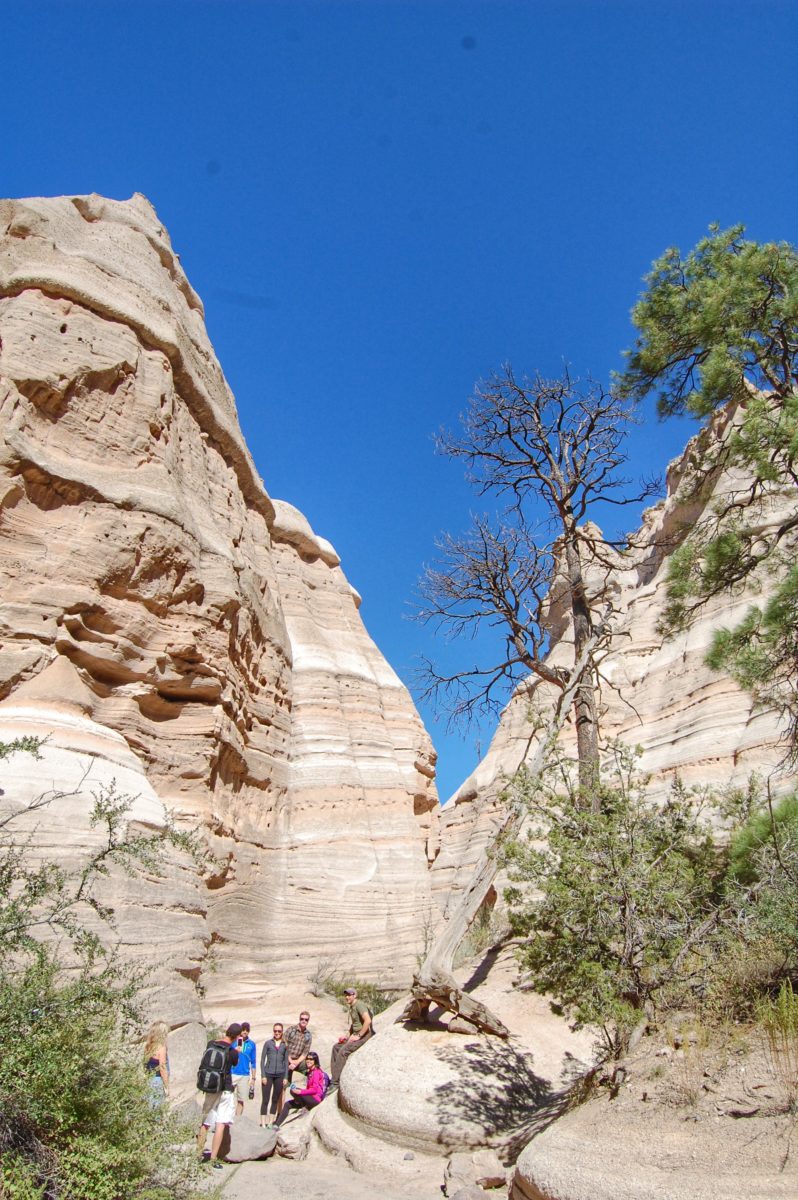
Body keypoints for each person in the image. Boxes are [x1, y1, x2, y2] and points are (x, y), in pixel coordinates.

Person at [197, 1023, 241, 1170]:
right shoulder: (233, 1051)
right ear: (237, 1037)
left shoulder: (212, 1043)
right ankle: (213, 1158)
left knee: (206, 1122)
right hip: (226, 1089)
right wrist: (237, 1050)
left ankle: (198, 1154)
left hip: (211, 1088)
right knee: (220, 1123)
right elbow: (235, 1063)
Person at [329, 987, 373, 1085]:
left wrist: (358, 1035)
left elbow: (368, 1020)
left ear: (355, 995)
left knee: (343, 1051)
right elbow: (355, 1024)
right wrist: (347, 1035)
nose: (347, 997)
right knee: (336, 1047)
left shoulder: (359, 1005)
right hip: (356, 1034)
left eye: (349, 995)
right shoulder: (352, 1006)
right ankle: (335, 1076)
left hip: (364, 1035)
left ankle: (335, 1083)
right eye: (346, 995)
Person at [274, 1051, 326, 1126]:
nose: (308, 1060)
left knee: (294, 1091)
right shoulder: (310, 1072)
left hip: (315, 1100)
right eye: (307, 1059)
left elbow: (314, 1090)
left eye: (311, 1059)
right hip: (308, 1099)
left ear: (315, 1061)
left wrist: (300, 1092)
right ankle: (276, 1125)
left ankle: (304, 1105)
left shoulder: (316, 1072)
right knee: (287, 1104)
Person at [259, 1021, 288, 1127]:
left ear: (282, 1032)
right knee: (265, 1099)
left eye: (279, 1031)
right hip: (268, 1074)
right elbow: (262, 1060)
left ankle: (270, 1122)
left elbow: (286, 1062)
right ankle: (263, 1123)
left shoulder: (285, 1045)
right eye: (275, 1031)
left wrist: (286, 1077)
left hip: (280, 1075)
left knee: (275, 1099)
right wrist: (263, 1075)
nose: (277, 1033)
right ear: (273, 1031)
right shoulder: (268, 1043)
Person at [231, 1020, 257, 1116]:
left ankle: (237, 1119)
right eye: (243, 1030)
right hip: (233, 1072)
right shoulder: (234, 1041)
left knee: (241, 1099)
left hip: (244, 1075)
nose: (245, 1032)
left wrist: (253, 1078)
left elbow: (253, 1062)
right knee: (227, 1096)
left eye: (247, 1030)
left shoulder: (252, 1044)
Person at [143, 1020, 170, 1108]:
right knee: (157, 1110)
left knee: (149, 1108)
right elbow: (162, 1068)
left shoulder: (148, 1046)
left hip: (148, 1080)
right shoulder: (161, 1047)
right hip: (157, 1081)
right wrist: (166, 1086)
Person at [284, 1010, 312, 1084]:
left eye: (306, 1019)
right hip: (286, 1057)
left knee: (312, 1062)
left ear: (308, 1021)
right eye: (302, 1019)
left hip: (298, 1061)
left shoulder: (308, 1035)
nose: (304, 1021)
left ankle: (308, 1082)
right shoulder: (291, 1029)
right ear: (299, 1019)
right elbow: (283, 1044)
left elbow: (305, 1052)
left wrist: (296, 1062)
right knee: (285, 1081)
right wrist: (290, 1060)